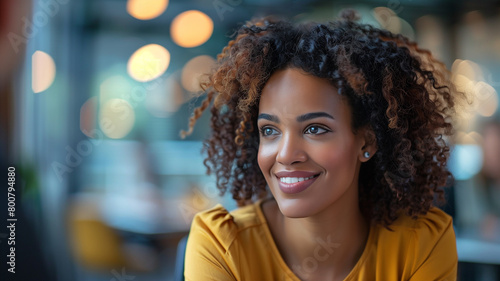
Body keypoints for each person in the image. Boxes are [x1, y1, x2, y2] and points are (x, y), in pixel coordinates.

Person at [181, 10, 460, 281]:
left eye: (315, 129)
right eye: (270, 130)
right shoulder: (222, 245)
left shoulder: (421, 244)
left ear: (368, 141)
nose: (287, 154)